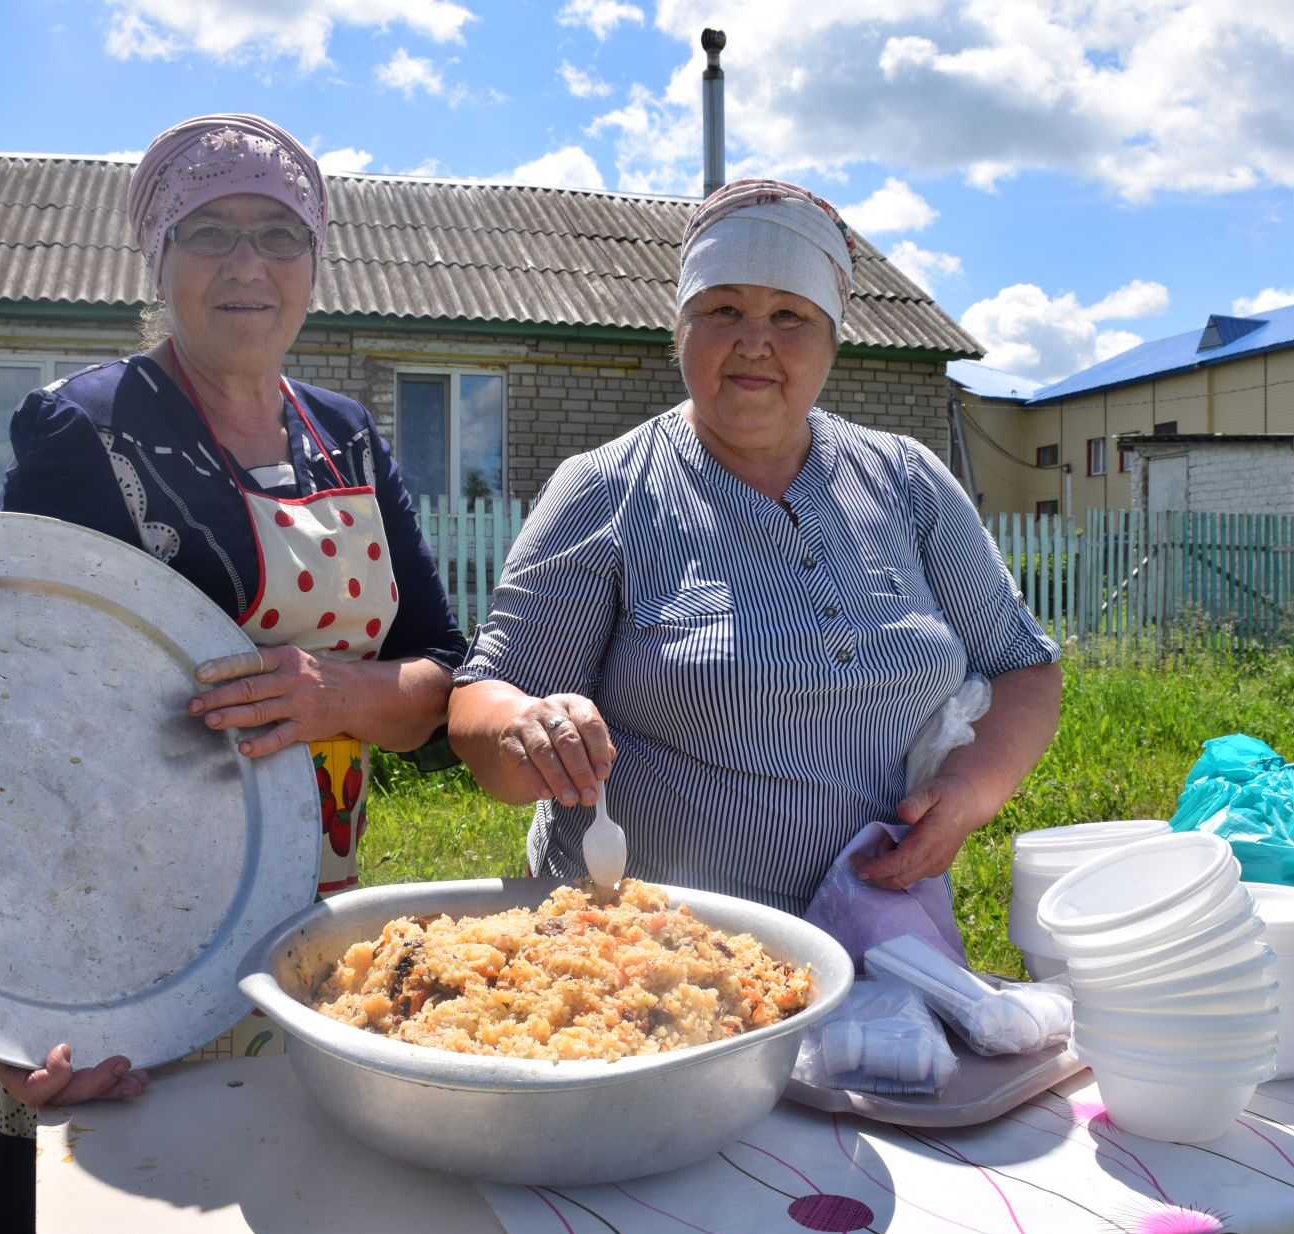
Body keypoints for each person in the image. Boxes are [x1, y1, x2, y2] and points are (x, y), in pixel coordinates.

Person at [0, 113, 465, 1234]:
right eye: (210, 233)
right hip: (115, 924)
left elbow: (437, 678)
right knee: (116, 1226)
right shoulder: (88, 427)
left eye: (279, 235)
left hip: (311, 906)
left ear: (316, 264)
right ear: (158, 261)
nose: (246, 265)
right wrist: (12, 988)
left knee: (271, 1217)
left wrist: (342, 693)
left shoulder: (351, 437)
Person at [449, 178, 1061, 917]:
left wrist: (968, 794)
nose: (754, 343)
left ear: (834, 338)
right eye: (723, 309)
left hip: (886, 934)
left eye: (789, 316)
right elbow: (483, 706)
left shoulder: (907, 480)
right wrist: (522, 731)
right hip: (652, 954)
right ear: (680, 328)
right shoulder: (604, 489)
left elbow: (1023, 666)